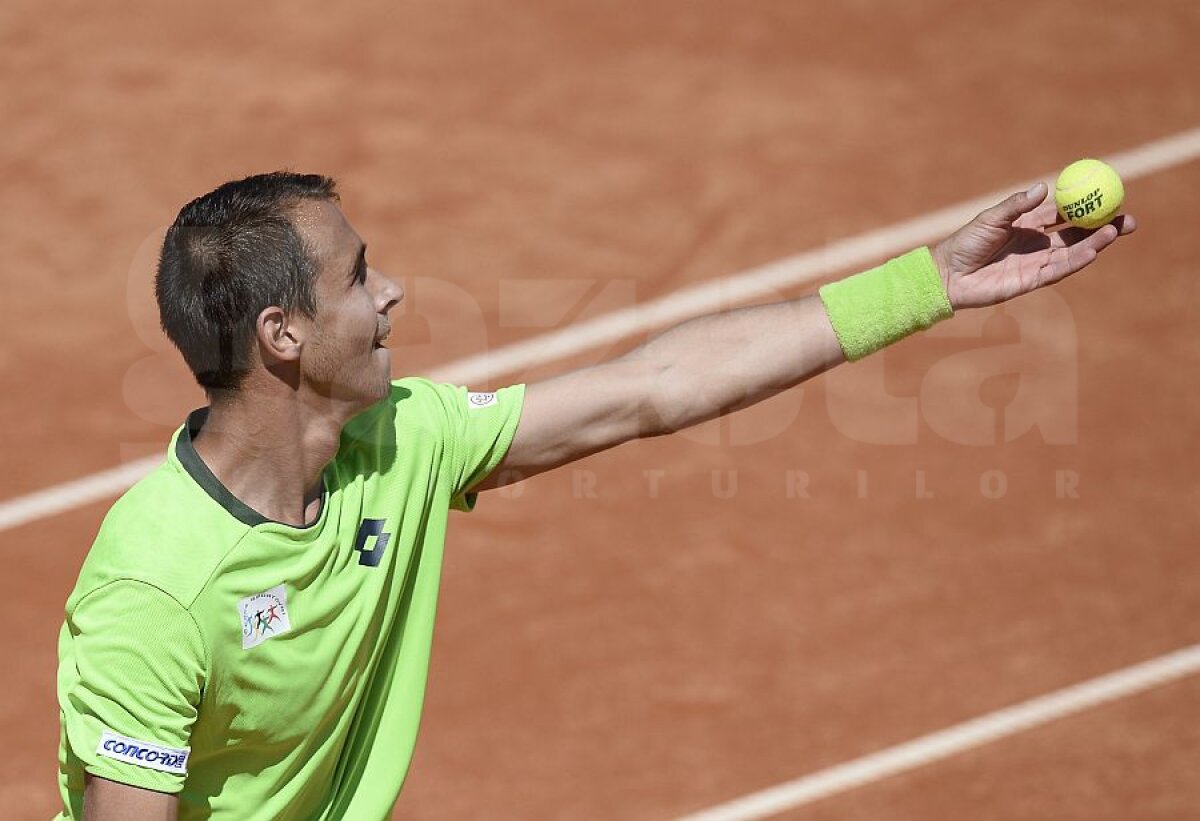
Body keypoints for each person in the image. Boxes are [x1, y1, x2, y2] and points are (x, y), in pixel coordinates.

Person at [55, 171, 1134, 819]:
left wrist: (930, 282)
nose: (392, 291)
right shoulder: (160, 587)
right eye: (355, 275)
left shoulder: (403, 441)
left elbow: (650, 389)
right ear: (280, 336)